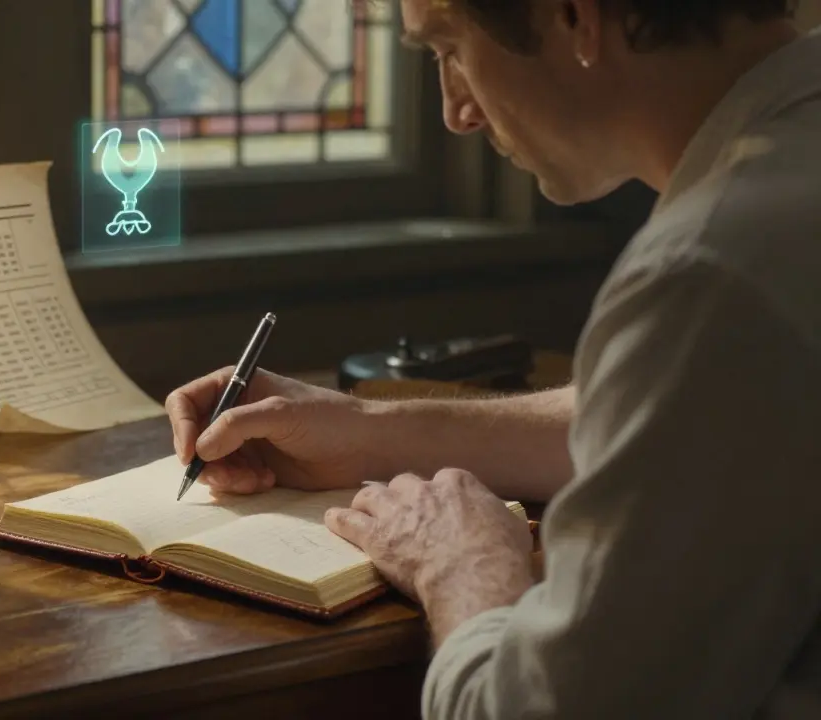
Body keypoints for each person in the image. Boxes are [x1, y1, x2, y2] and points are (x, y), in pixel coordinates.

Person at [165, 0, 821, 717]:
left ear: (574, 16)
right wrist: (367, 433)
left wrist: (464, 567)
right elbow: (688, 418)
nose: (456, 114)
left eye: (450, 50)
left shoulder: (709, 271)